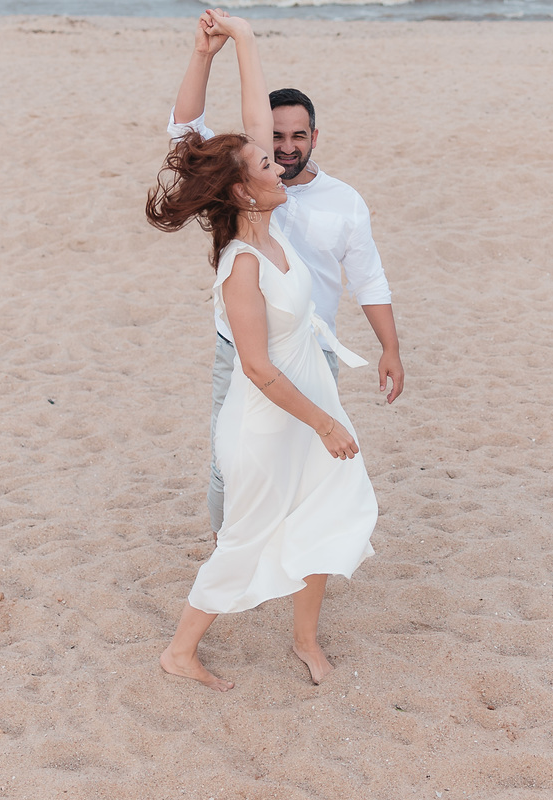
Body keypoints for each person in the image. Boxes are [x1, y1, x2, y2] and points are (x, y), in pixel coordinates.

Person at [146, 10, 377, 691]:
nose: (282, 163)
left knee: (328, 510)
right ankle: (179, 651)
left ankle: (304, 637)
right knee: (245, 534)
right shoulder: (243, 261)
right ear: (246, 190)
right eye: (266, 161)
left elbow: (249, 124)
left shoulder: (276, 229)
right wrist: (326, 421)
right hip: (272, 415)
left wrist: (245, 40)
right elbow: (254, 368)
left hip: (310, 396)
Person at [167, 14, 405, 536]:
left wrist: (389, 348)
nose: (285, 149)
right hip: (242, 348)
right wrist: (209, 53)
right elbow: (186, 133)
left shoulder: (342, 201)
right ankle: (227, 553)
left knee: (308, 463)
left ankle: (293, 556)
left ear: (315, 136)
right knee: (230, 465)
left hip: (313, 346)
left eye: (298, 136)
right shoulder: (247, 180)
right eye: (274, 138)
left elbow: (369, 279)